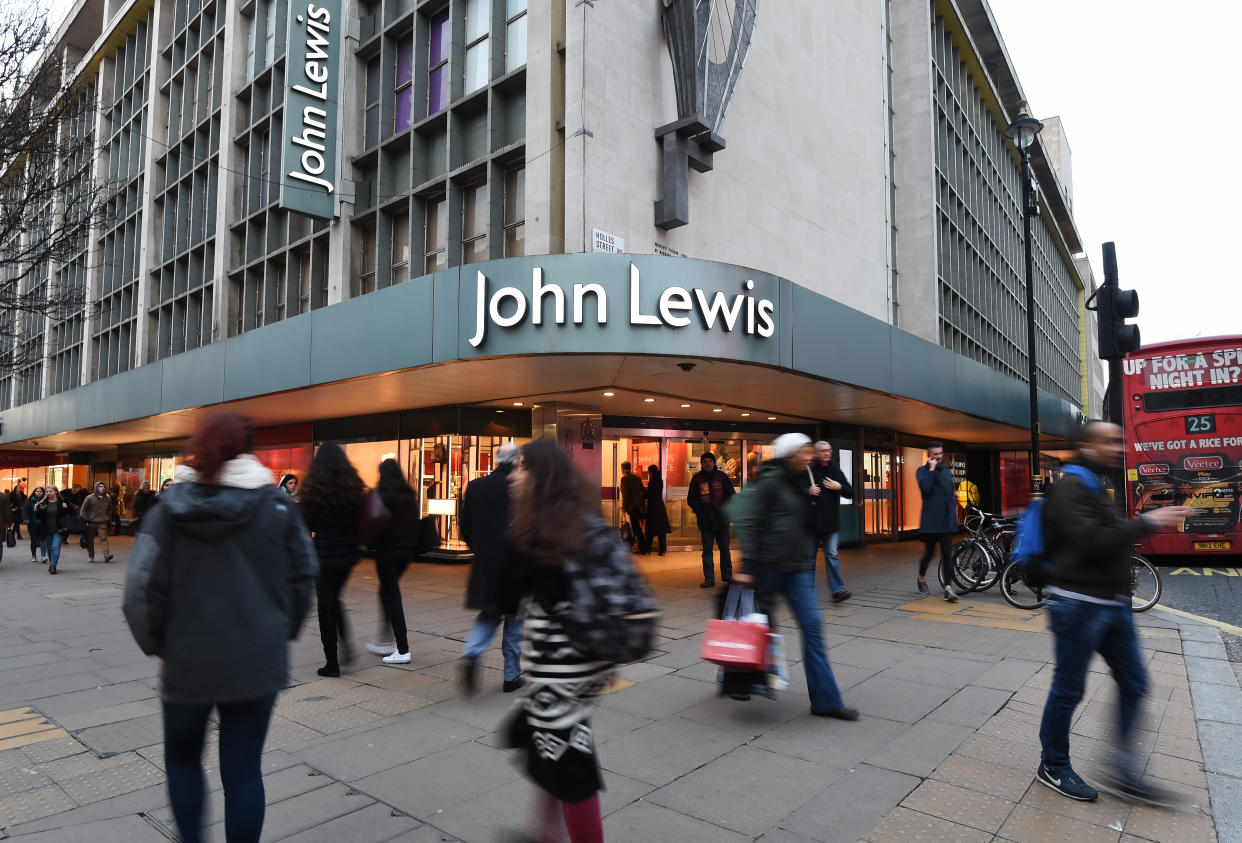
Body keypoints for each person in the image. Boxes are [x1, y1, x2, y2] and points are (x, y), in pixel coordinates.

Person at [122, 414, 315, 843]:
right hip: (256, 661)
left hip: (188, 661)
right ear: (249, 450)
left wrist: (160, 644)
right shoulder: (278, 507)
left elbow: (139, 590)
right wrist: (277, 634)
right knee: (244, 771)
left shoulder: (169, 509)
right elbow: (304, 577)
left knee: (184, 761)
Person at [1036, 420, 1190, 805]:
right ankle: (1053, 765)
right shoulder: (1071, 486)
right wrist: (1148, 522)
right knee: (1069, 689)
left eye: (1120, 439)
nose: (1119, 446)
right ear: (1088, 447)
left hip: (1111, 605)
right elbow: (1092, 541)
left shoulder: (1097, 482)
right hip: (1076, 604)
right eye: (1110, 441)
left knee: (1135, 682)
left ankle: (1123, 771)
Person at [503, 439, 615, 843]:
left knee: (570, 769)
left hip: (564, 671)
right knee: (548, 756)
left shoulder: (562, 527)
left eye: (521, 468)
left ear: (541, 476)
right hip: (555, 669)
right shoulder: (550, 520)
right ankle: (545, 834)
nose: (514, 475)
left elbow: (543, 594)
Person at [734, 433, 858, 721]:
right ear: (790, 454)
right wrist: (746, 567)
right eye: (804, 452)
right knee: (756, 629)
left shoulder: (803, 480)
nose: (809, 456)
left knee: (813, 628)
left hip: (798, 570)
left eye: (810, 452)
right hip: (767, 568)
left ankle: (826, 701)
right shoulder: (770, 482)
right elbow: (750, 523)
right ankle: (739, 679)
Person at [458, 442, 525, 695]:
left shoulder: (476, 486)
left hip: (486, 563)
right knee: (515, 620)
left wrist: (481, 549)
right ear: (517, 460)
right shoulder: (523, 487)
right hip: (517, 564)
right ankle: (512, 676)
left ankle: (471, 653)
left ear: (496, 459)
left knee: (489, 614)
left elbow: (465, 526)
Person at [300, 444, 365, 678]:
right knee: (335, 600)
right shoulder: (352, 485)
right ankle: (347, 647)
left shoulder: (315, 487)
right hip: (348, 553)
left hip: (325, 554)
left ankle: (332, 663)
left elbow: (307, 523)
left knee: (325, 605)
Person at [366, 459, 419, 665]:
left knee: (392, 596)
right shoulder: (409, 495)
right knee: (386, 592)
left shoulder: (381, 495)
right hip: (406, 552)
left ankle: (402, 648)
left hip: (387, 551)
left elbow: (373, 521)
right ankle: (386, 640)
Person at [808, 441, 854, 603]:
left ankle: (837, 591)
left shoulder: (835, 471)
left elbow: (850, 492)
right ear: (816, 453)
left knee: (832, 555)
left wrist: (839, 487)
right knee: (809, 559)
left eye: (828, 450)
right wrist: (807, 490)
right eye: (822, 451)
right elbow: (793, 490)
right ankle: (808, 593)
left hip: (830, 522)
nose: (826, 453)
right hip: (811, 523)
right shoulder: (809, 471)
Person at [916, 442, 958, 602]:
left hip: (946, 521)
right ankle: (921, 578)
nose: (939, 456)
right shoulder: (922, 471)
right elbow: (925, 490)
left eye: (941, 453)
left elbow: (949, 495)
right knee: (929, 554)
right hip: (931, 522)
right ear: (929, 455)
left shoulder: (946, 471)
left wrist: (953, 516)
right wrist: (932, 471)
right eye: (936, 454)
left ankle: (948, 588)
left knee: (947, 555)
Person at [688, 452, 735, 588]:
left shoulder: (722, 477)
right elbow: (692, 499)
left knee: (725, 550)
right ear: (702, 464)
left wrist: (725, 509)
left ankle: (727, 576)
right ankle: (709, 579)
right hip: (706, 521)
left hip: (721, 520)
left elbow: (731, 495)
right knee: (707, 551)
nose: (708, 463)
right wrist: (699, 512)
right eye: (705, 461)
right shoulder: (697, 479)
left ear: (714, 463)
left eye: (710, 461)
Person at [35, 487, 72, 574]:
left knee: (55, 547)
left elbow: (72, 512)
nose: (48, 493)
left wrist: (67, 507)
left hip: (59, 529)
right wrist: (40, 509)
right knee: (49, 549)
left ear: (56, 492)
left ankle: (53, 566)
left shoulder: (62, 501)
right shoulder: (43, 502)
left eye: (51, 491)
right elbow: (38, 516)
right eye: (47, 491)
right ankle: (52, 563)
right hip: (47, 529)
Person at [80, 481, 115, 563]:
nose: (103, 488)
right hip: (91, 522)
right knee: (90, 540)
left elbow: (111, 508)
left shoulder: (107, 498)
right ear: (96, 488)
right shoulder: (89, 498)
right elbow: (83, 510)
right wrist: (85, 520)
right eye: (100, 486)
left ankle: (106, 555)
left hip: (102, 521)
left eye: (104, 486)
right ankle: (91, 556)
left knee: (103, 538)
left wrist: (107, 516)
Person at [618, 461, 646, 555]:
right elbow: (643, 491)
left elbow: (626, 495)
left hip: (631, 507)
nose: (621, 470)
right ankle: (636, 546)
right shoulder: (637, 478)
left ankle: (642, 547)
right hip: (637, 506)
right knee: (635, 527)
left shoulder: (625, 479)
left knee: (635, 528)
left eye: (621, 468)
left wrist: (624, 507)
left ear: (624, 469)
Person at [643, 464, 671, 556]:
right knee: (661, 530)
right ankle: (662, 550)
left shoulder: (652, 482)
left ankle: (647, 550)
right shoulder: (660, 481)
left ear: (650, 472)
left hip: (652, 507)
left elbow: (649, 495)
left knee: (650, 530)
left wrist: (643, 493)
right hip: (660, 506)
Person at [22, 486, 47, 564]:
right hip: (32, 524)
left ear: (43, 493)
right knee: (33, 540)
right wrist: (26, 519)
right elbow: (24, 510)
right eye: (37, 491)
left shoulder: (46, 501)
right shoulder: (29, 501)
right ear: (34, 492)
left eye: (40, 491)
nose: (39, 492)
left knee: (43, 539)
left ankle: (43, 555)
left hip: (43, 523)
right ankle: (34, 555)